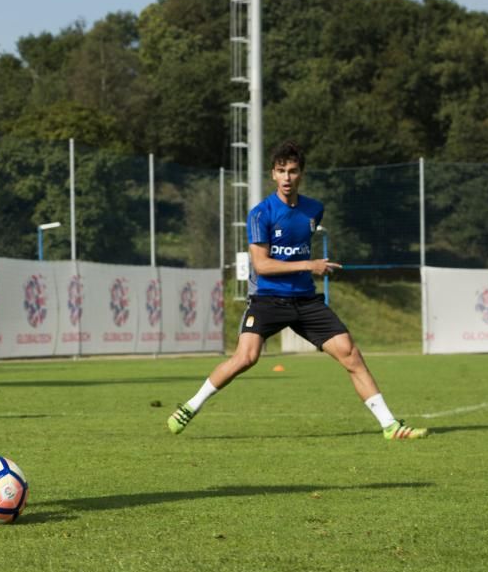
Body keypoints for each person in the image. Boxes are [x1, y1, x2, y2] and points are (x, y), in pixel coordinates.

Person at [167, 141, 429, 441]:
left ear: (301, 173)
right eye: (281, 171)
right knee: (246, 357)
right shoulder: (260, 213)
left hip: (305, 301)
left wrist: (308, 267)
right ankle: (190, 407)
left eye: (292, 171)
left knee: (351, 355)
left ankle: (390, 426)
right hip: (267, 298)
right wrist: (309, 265)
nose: (287, 178)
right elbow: (262, 266)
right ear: (273, 175)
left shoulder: (314, 210)